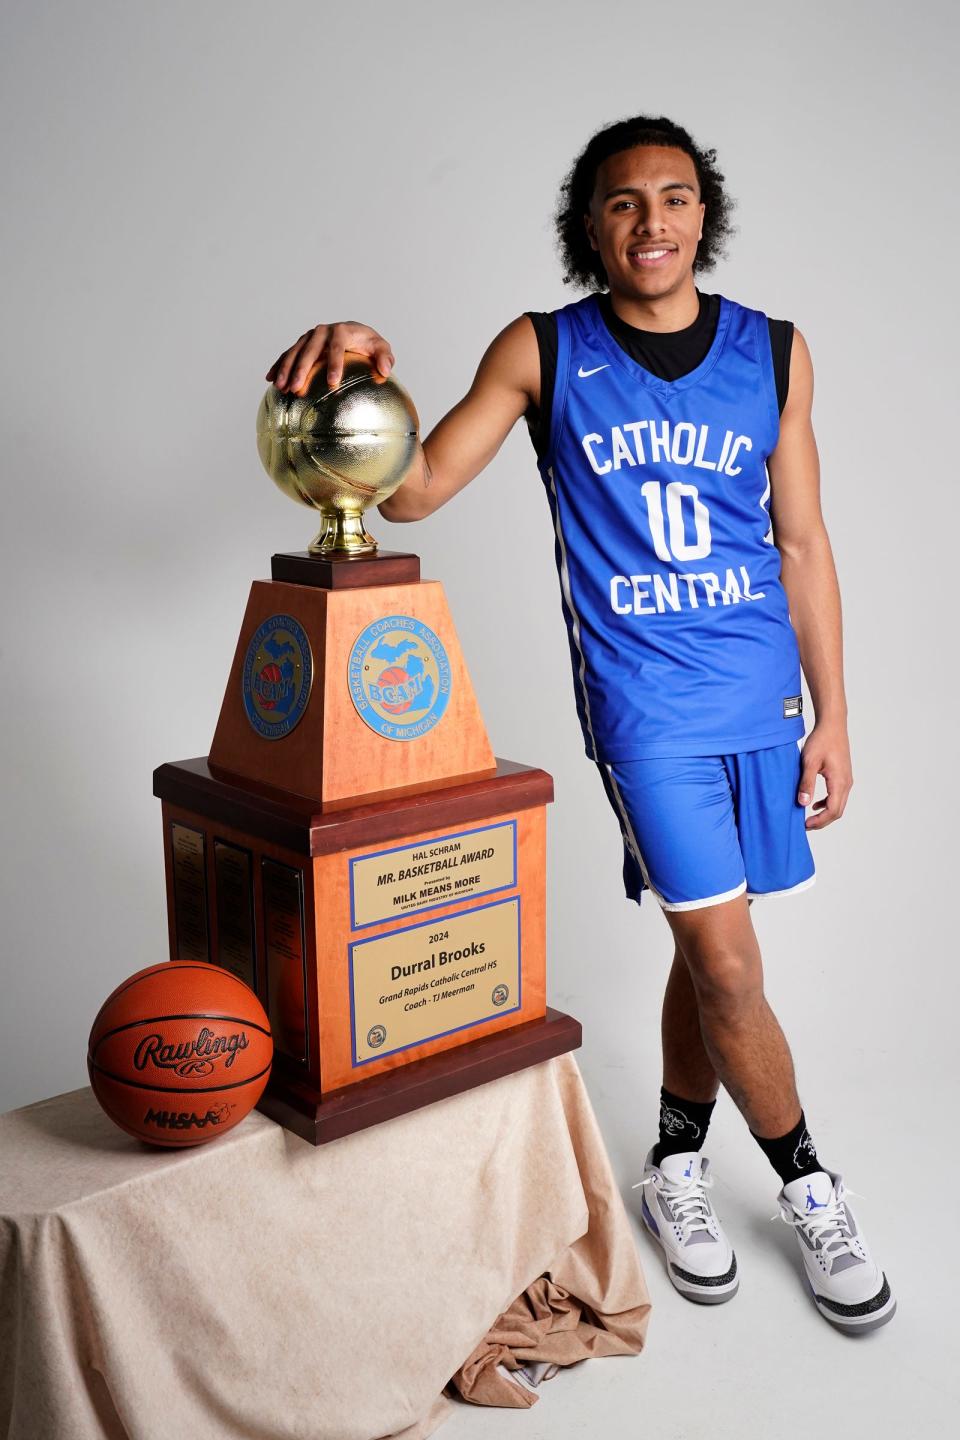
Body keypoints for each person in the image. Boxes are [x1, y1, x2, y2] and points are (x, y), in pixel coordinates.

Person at [265, 113, 894, 1334]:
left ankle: (670, 1165)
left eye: (672, 197)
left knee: (706, 954)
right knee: (724, 961)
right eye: (621, 202)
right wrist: (359, 379)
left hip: (759, 697)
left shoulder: (774, 351)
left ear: (702, 213)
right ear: (589, 226)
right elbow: (418, 488)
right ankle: (810, 1180)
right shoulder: (546, 348)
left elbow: (804, 542)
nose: (650, 221)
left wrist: (836, 713)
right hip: (645, 706)